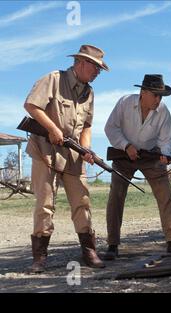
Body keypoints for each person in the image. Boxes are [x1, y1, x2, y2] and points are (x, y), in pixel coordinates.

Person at [24, 44, 109, 273]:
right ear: (81, 63)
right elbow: (31, 105)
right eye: (96, 68)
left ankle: (89, 251)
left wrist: (87, 149)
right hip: (45, 151)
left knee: (82, 201)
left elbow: (87, 126)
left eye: (99, 69)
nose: (97, 73)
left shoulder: (89, 92)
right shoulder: (53, 79)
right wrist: (52, 128)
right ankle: (39, 258)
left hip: (73, 154)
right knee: (45, 204)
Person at [103, 74, 171, 260]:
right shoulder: (124, 103)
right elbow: (110, 128)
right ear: (143, 93)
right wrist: (126, 145)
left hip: (151, 156)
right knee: (116, 196)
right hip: (123, 155)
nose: (158, 100)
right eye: (155, 95)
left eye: (161, 96)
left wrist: (165, 154)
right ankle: (112, 244)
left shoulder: (163, 111)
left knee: (165, 195)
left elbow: (166, 139)